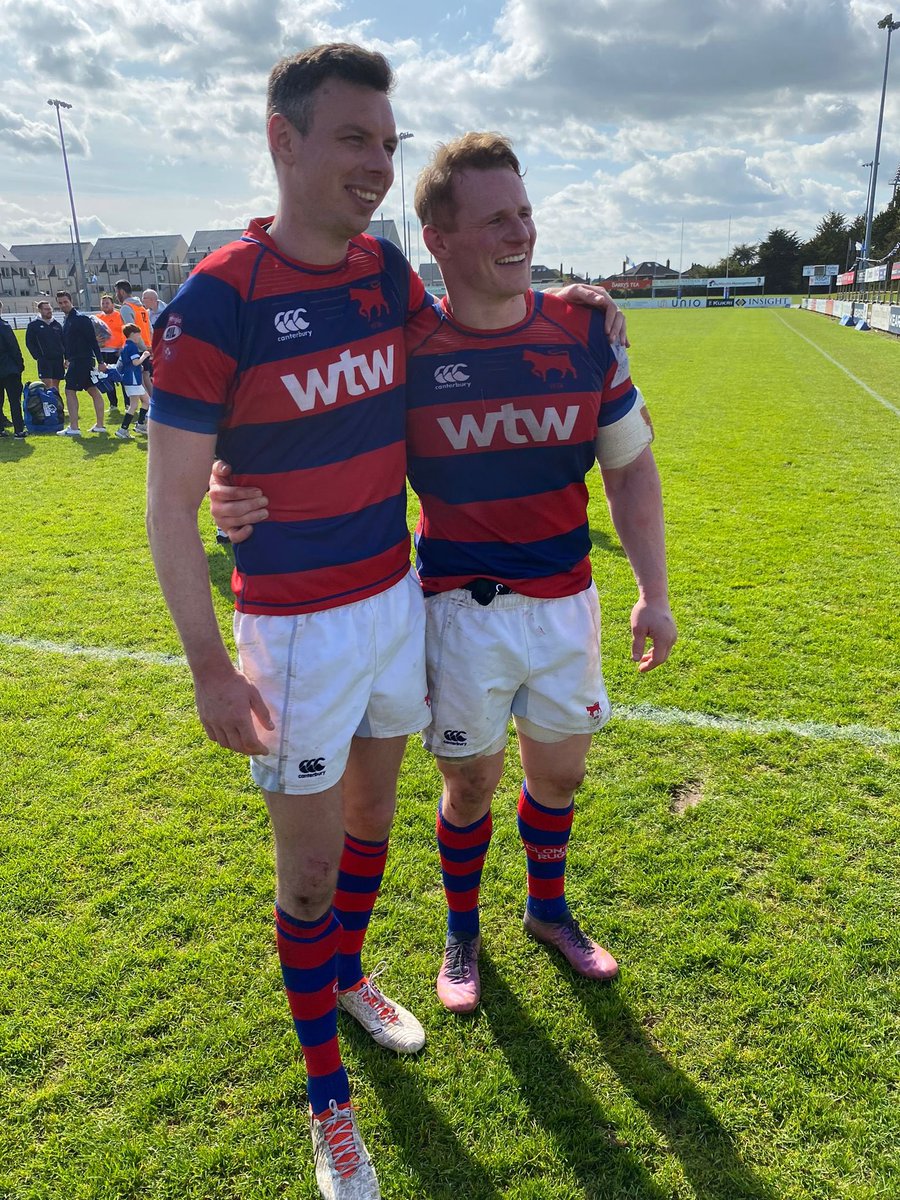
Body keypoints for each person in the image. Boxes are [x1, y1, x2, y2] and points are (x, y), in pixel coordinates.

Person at [211, 133, 676, 1018]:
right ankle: (462, 931)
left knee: (562, 777)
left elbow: (630, 470)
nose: (522, 234)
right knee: (469, 785)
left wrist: (653, 593)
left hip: (568, 602)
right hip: (458, 608)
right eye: (497, 219)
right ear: (440, 239)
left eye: (526, 214)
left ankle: (548, 910)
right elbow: (303, 414)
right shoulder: (405, 344)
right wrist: (229, 481)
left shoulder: (581, 329)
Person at [146, 44, 432, 1200]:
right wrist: (212, 668)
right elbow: (168, 502)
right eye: (356, 138)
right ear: (284, 138)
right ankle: (330, 1107)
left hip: (395, 599)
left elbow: (464, 350)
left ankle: (351, 977)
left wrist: (577, 307)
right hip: (295, 631)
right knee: (306, 874)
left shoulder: (388, 269)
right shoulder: (219, 298)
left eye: (389, 143)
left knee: (373, 819)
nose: (379, 164)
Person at [54, 291, 109, 436]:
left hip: (82, 360)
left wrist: (101, 361)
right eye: (60, 303)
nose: (63, 305)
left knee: (69, 390)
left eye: (65, 302)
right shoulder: (67, 320)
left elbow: (93, 341)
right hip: (77, 360)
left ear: (71, 301)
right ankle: (100, 425)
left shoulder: (80, 319)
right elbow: (67, 342)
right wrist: (67, 358)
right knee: (92, 390)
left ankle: (74, 427)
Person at [115, 280, 153, 395]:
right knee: (146, 376)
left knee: (138, 380)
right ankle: (153, 404)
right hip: (146, 346)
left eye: (116, 292)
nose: (116, 296)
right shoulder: (141, 308)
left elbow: (131, 331)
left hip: (135, 348)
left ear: (121, 292)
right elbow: (150, 330)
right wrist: (149, 347)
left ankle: (146, 406)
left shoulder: (126, 308)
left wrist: (142, 347)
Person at [114, 323, 150, 439]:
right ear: (132, 334)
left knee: (145, 401)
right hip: (133, 379)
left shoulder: (126, 346)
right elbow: (135, 362)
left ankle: (139, 424)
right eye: (138, 335)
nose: (139, 337)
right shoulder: (132, 346)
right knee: (134, 405)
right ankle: (123, 429)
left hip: (130, 378)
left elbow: (130, 363)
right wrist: (144, 356)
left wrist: (139, 367)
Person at [25, 300, 65, 394]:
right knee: (47, 384)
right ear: (40, 310)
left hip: (58, 359)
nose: (49, 311)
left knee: (56, 385)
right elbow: (29, 343)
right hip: (44, 360)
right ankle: (48, 404)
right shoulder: (34, 325)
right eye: (46, 309)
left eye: (50, 309)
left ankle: (57, 405)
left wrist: (64, 356)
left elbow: (64, 342)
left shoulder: (57, 324)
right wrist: (38, 356)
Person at [96, 294, 128, 412]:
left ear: (113, 304)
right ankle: (113, 404)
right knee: (107, 378)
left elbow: (126, 332)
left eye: (107, 303)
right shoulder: (98, 318)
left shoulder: (120, 316)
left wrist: (123, 347)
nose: (105, 305)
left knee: (122, 378)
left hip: (117, 351)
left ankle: (128, 404)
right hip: (103, 352)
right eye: (103, 303)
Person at [0, 300, 27, 439]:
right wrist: (20, 364)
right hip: (8, 368)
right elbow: (13, 347)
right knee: (14, 400)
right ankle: (18, 429)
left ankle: (1, 430)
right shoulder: (4, 326)